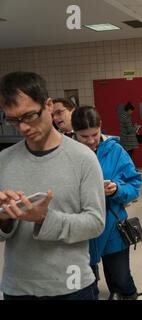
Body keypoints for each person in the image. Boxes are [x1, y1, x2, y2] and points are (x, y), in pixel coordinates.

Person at [0, 71, 105, 300]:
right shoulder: (4, 161)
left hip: (71, 284)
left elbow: (95, 223)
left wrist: (45, 219)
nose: (23, 128)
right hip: (17, 286)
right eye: (13, 120)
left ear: (48, 105)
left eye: (30, 116)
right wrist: (4, 218)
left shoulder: (83, 158)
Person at [71, 106, 142, 300]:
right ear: (73, 132)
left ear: (101, 126)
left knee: (120, 277)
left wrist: (117, 190)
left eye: (94, 134)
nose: (91, 141)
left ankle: (125, 293)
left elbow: (134, 184)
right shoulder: (66, 154)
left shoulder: (115, 150)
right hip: (80, 230)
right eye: (84, 137)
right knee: (84, 283)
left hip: (112, 225)